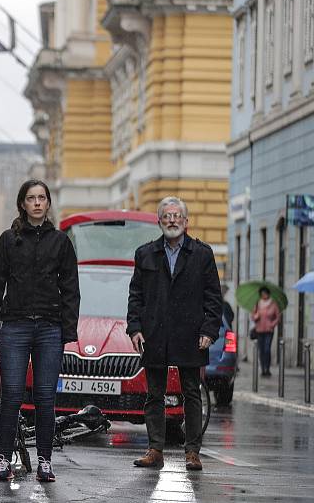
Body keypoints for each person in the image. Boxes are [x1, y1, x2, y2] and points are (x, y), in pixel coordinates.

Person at [0, 179, 80, 483]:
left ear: (48, 204)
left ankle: (45, 462)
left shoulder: (61, 242)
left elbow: (71, 289)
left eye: (42, 198)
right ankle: (3, 460)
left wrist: (68, 329)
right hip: (15, 326)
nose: (37, 203)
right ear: (22, 204)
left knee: (45, 397)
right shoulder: (9, 240)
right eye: (31, 198)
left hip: (50, 329)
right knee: (11, 395)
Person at [127, 196, 221, 472]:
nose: (172, 220)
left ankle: (192, 452)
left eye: (177, 216)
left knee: (191, 393)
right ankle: (155, 449)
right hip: (155, 333)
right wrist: (134, 328)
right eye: (166, 216)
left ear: (186, 221)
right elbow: (136, 295)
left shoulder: (202, 254)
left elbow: (213, 297)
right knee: (154, 394)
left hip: (191, 334)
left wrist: (209, 330)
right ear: (159, 222)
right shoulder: (145, 254)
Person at [251, 287, 280, 377]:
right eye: (262, 293)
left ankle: (267, 368)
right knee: (261, 350)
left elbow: (278, 317)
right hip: (259, 330)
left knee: (267, 349)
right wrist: (256, 316)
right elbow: (252, 316)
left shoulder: (273, 304)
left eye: (265, 293)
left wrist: (272, 324)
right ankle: (263, 369)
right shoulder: (258, 303)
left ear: (268, 293)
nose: (264, 295)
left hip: (269, 330)